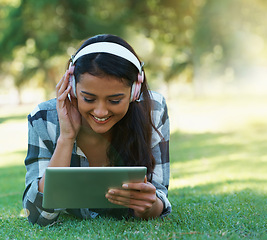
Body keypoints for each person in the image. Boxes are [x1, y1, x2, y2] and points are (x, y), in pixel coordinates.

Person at [22, 34, 171, 226]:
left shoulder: (154, 110)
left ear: (134, 92)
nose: (101, 111)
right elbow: (38, 216)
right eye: (89, 99)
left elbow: (159, 198)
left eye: (115, 100)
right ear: (73, 88)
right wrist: (66, 138)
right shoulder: (43, 118)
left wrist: (149, 206)